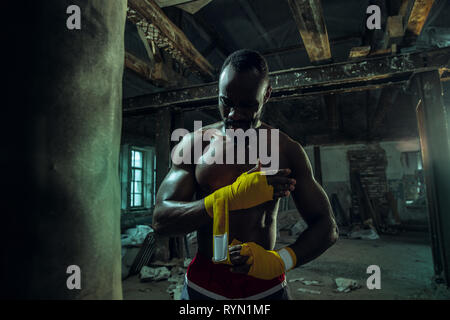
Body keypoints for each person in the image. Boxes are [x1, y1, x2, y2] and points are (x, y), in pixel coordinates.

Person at [153, 49, 338, 300]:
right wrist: (227, 199)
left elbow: (327, 226)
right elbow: (161, 221)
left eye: (247, 105)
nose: (233, 115)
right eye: (225, 102)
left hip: (265, 285)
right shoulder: (195, 145)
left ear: (267, 95)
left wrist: (280, 261)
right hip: (205, 283)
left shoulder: (286, 150)